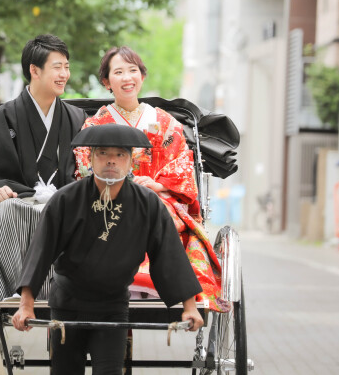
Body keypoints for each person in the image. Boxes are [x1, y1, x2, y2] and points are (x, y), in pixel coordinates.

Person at [12, 124, 204, 374]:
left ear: (131, 162)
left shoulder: (148, 204)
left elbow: (169, 254)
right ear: (90, 159)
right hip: (67, 303)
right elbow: (40, 251)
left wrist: (189, 307)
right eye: (103, 153)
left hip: (112, 306)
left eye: (120, 155)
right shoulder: (66, 199)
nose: (111, 161)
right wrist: (26, 304)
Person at [74, 46, 224, 311]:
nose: (127, 77)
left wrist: (158, 184)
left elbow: (181, 162)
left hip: (157, 197)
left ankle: (154, 281)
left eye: (133, 71)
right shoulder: (96, 124)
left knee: (154, 213)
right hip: (108, 196)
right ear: (107, 82)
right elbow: (85, 167)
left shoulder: (166, 122)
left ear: (142, 77)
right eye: (118, 72)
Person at [0, 34, 86, 300]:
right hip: (19, 205)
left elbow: (85, 169)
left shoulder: (76, 118)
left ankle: (70, 291)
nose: (64, 74)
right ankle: (16, 290)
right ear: (34, 70)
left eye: (67, 66)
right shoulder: (2, 118)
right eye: (57, 67)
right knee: (6, 211)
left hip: (63, 203)